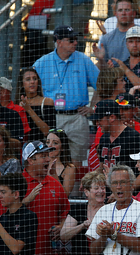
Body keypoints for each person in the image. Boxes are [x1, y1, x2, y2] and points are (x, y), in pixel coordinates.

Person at [33, 25, 100, 167]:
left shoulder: (84, 60)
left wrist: (93, 107)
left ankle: (74, 190)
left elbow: (101, 85)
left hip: (77, 117)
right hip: (51, 117)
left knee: (75, 164)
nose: (75, 43)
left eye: (76, 39)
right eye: (71, 40)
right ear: (58, 42)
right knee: (51, 161)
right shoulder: (41, 63)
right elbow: (30, 90)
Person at [21, 140, 70, 255]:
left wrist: (61, 226)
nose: (48, 159)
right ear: (30, 160)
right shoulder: (17, 183)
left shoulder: (55, 184)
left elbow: (65, 212)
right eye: (42, 156)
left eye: (47, 155)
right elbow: (4, 214)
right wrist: (26, 201)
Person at [60, 171, 106, 255]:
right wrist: (82, 225)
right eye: (96, 188)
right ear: (86, 192)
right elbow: (63, 236)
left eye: (103, 188)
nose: (100, 191)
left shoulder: (110, 209)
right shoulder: (77, 210)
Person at [101, 25, 140, 124]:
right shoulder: (120, 65)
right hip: (119, 118)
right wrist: (109, 73)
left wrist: (125, 70)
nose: (134, 45)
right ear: (126, 44)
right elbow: (109, 93)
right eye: (131, 41)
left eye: (138, 41)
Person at [91, 99, 140, 176]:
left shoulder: (135, 138)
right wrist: (89, 179)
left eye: (99, 119)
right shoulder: (104, 138)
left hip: (129, 187)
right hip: (108, 186)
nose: (97, 123)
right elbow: (102, 168)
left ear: (112, 117)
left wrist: (131, 187)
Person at [94, 0, 140, 65]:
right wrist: (101, 60)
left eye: (127, 10)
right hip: (115, 74)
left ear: (134, 13)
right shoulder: (106, 38)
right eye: (120, 10)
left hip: (139, 74)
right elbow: (100, 70)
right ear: (116, 14)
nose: (123, 13)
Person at [16, 67, 56, 142]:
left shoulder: (47, 102)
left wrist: (28, 109)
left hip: (42, 147)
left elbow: (48, 132)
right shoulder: (17, 104)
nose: (32, 82)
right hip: (22, 148)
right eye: (28, 79)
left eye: (34, 78)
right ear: (21, 84)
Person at [46, 129, 76, 196]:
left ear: (62, 147)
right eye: (48, 142)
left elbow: (65, 195)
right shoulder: (39, 165)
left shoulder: (69, 168)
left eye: (55, 143)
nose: (49, 146)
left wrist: (55, 175)